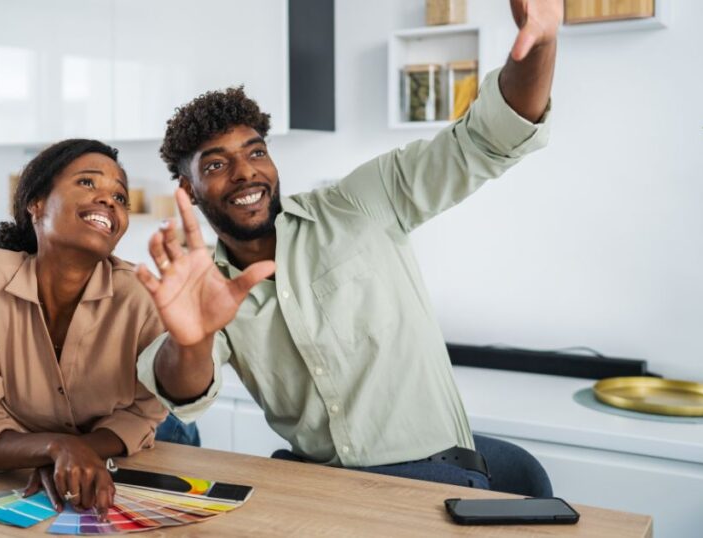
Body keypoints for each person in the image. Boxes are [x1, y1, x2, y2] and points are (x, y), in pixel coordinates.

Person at [134, 0, 560, 490]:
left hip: (435, 479)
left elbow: (487, 139)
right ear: (187, 191)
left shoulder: (361, 201)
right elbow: (184, 395)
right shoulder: (206, 288)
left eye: (256, 152)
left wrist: (543, 41)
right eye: (215, 165)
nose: (246, 172)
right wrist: (192, 340)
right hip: (321, 488)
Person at [0, 139, 168, 520]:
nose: (109, 199)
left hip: (129, 455)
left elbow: (140, 417)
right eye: (87, 183)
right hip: (30, 471)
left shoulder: (141, 294)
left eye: (120, 196)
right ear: (37, 202)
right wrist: (56, 448)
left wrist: (71, 450)